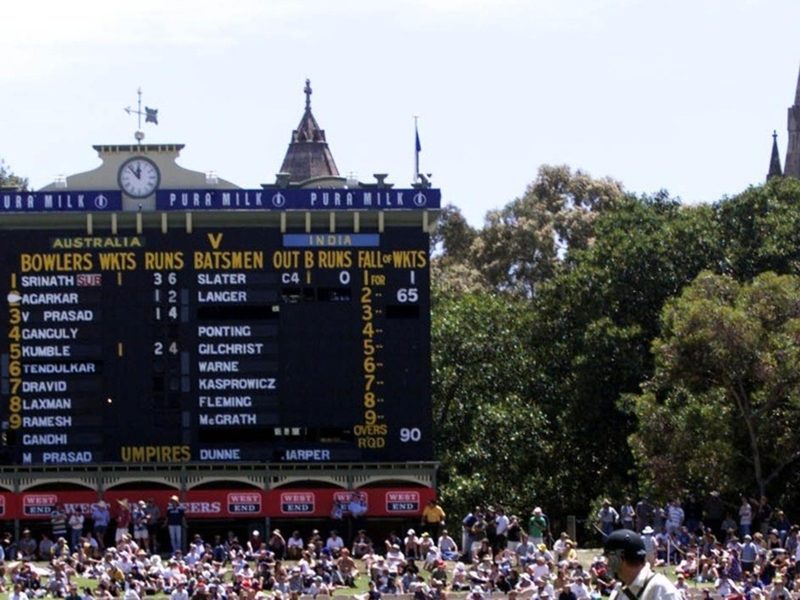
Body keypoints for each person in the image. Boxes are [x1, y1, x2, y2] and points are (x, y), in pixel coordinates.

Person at [604, 529, 681, 600]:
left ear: (620, 559)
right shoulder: (618, 589)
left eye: (609, 558)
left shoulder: (662, 591)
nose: (606, 563)